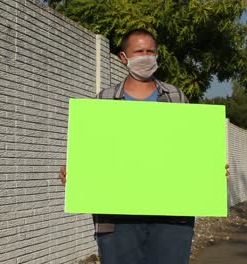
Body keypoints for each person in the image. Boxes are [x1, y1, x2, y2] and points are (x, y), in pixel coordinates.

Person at [59, 28, 228, 264]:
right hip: (117, 220)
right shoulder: (103, 101)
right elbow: (93, 156)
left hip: (172, 219)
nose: (146, 56)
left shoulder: (176, 98)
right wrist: (76, 173)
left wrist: (211, 170)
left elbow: (191, 153)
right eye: (139, 51)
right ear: (123, 57)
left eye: (151, 51)